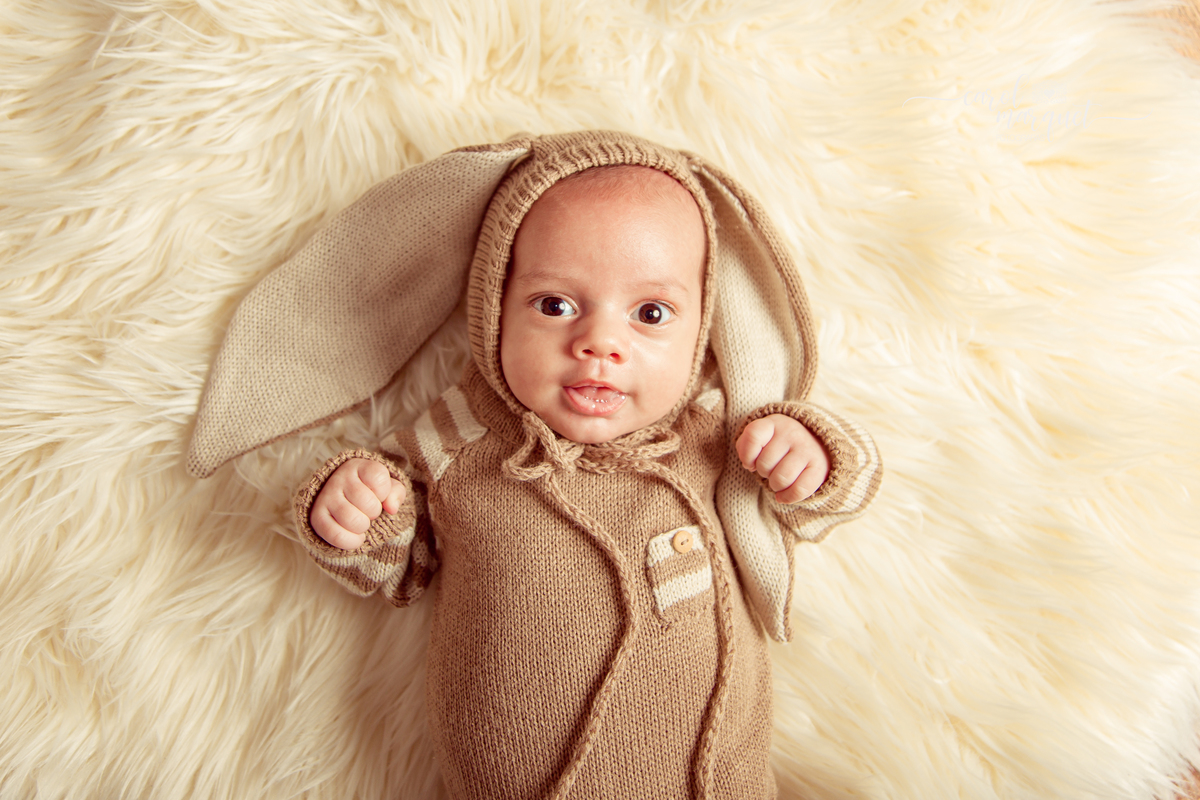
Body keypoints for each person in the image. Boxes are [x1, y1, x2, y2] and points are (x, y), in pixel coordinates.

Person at [291, 132, 882, 800]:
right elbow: (405, 568)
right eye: (555, 305)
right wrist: (361, 512)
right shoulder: (461, 434)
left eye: (650, 313)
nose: (599, 343)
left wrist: (811, 457)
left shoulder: (712, 438)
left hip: (715, 779)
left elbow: (824, 501)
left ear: (701, 335)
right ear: (493, 306)